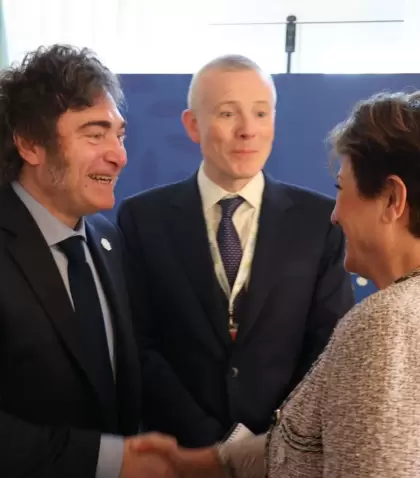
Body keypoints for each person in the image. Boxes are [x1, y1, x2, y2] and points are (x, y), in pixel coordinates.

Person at [134, 90, 420, 477]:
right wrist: (202, 463)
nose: (334, 215)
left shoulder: (383, 325)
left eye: (341, 189)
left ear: (392, 199)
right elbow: (301, 445)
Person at [117, 54, 354, 448]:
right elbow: (140, 346)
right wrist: (214, 446)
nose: (248, 130)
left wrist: (269, 443)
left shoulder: (319, 221)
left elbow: (328, 345)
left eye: (261, 113)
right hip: (181, 454)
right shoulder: (143, 219)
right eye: (228, 113)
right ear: (193, 125)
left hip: (284, 453)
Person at [0, 44, 177, 478]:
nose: (119, 155)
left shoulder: (107, 240)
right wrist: (110, 461)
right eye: (94, 134)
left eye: (119, 135)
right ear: (29, 143)